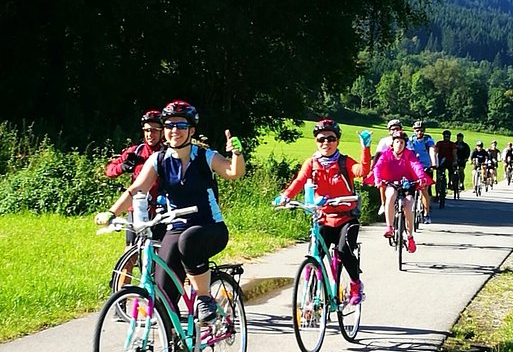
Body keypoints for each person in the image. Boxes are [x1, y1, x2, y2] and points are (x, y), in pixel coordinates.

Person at [95, 99, 246, 324]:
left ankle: (205, 299)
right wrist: (112, 212)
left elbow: (234, 172)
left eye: (181, 126)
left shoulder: (204, 156)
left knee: (188, 241)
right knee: (163, 292)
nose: (174, 130)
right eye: (169, 125)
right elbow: (137, 188)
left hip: (209, 226)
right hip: (175, 227)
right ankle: (178, 345)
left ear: (191, 131)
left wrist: (237, 153)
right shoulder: (159, 159)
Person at [275, 119, 371, 305]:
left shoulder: (344, 162)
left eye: (331, 138)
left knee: (344, 251)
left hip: (346, 218)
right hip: (323, 217)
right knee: (314, 254)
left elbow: (362, 170)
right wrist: (286, 196)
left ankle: (355, 284)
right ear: (316, 141)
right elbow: (299, 181)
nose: (326, 143)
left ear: (338, 141)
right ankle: (311, 299)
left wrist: (365, 148)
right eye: (321, 139)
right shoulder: (312, 163)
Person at [105, 110, 165, 246]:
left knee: (158, 251)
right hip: (137, 207)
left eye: (155, 130)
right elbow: (109, 171)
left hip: (160, 209)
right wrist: (123, 167)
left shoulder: (167, 153)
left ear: (162, 132)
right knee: (130, 251)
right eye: (147, 130)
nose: (150, 134)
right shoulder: (136, 151)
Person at [373, 131, 431, 254]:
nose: (399, 144)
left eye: (402, 142)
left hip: (407, 184)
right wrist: (378, 179)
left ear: (405, 144)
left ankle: (410, 236)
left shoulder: (409, 155)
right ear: (392, 144)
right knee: (390, 195)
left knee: (409, 203)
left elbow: (416, 166)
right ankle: (389, 227)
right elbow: (378, 167)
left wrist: (421, 177)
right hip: (391, 183)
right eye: (397, 142)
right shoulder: (386, 154)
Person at [371, 119, 403, 216]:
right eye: (393, 129)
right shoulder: (384, 141)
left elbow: (411, 154)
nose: (395, 131)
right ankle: (383, 203)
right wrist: (372, 168)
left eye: (397, 129)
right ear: (389, 131)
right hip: (387, 165)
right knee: (383, 182)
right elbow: (378, 154)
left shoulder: (405, 139)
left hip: (401, 165)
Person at [407, 120, 437, 224]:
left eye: (421, 130)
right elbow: (408, 152)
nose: (419, 132)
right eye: (417, 130)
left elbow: (432, 150)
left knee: (424, 190)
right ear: (414, 130)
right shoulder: (410, 140)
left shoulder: (427, 139)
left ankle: (426, 213)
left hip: (426, 167)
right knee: (408, 189)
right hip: (413, 167)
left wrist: (433, 163)